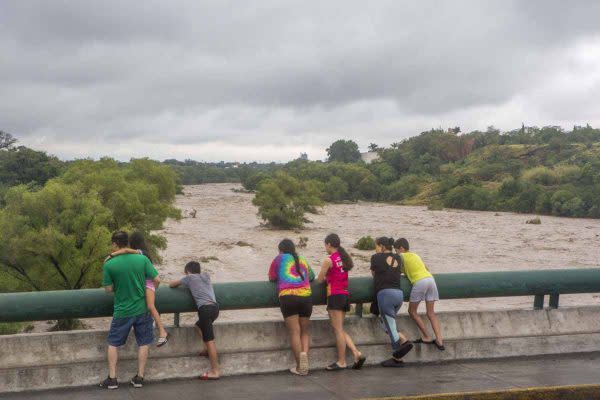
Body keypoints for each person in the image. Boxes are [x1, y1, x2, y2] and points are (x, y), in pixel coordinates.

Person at [100, 231, 160, 389]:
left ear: (114, 244)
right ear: (127, 242)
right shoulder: (142, 259)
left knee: (113, 343)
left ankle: (112, 379)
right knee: (144, 342)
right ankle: (139, 377)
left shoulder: (109, 264)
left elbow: (108, 289)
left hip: (122, 310)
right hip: (142, 309)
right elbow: (156, 279)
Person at [109, 232, 170, 346]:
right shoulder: (144, 254)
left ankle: (163, 332)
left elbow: (126, 251)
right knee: (149, 307)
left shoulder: (141, 253)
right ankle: (162, 331)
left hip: (148, 284)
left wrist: (111, 255)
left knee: (150, 307)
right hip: (146, 284)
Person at [317, 233, 366, 371]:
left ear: (328, 244)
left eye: (325, 245)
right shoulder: (343, 258)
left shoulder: (329, 259)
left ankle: (342, 361)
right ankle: (356, 353)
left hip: (334, 296)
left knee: (337, 330)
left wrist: (325, 275)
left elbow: (320, 279)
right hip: (344, 295)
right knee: (340, 329)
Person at [268, 239, 315, 376]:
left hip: (288, 297)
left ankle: (301, 367)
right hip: (306, 297)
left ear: (281, 250)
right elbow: (311, 276)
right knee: (304, 332)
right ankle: (305, 360)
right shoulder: (302, 259)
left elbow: (271, 277)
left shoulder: (279, 259)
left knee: (295, 332)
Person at [170, 261, 220, 380]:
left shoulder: (189, 278)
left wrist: (184, 279)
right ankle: (205, 349)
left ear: (187, 271)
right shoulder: (206, 276)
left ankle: (215, 371)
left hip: (205, 310)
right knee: (197, 325)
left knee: (210, 340)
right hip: (215, 308)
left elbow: (172, 284)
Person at [394, 238, 445, 351]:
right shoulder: (415, 255)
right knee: (431, 313)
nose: (396, 252)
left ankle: (427, 336)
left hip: (420, 282)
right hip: (431, 280)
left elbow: (395, 270)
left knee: (412, 311)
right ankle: (440, 341)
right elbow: (426, 268)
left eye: (396, 250)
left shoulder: (401, 256)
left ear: (401, 248)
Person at [371, 237, 414, 367]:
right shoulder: (398, 257)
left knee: (389, 324)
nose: (376, 249)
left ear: (382, 246)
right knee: (387, 324)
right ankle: (404, 341)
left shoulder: (376, 257)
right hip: (398, 295)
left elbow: (374, 273)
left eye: (377, 246)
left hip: (385, 295)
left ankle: (397, 357)